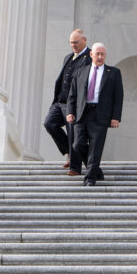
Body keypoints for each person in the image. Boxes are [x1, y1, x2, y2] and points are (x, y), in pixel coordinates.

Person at [66, 42, 123, 186]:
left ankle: (90, 179)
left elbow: (118, 97)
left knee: (95, 148)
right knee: (78, 144)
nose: (100, 57)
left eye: (102, 54)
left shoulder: (114, 73)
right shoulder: (80, 71)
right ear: (91, 54)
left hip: (100, 114)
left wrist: (115, 117)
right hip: (82, 113)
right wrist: (70, 112)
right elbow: (72, 94)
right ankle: (96, 170)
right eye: (97, 53)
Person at [44, 29, 91, 174]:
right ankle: (68, 152)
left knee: (73, 133)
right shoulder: (68, 57)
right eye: (71, 43)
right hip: (59, 102)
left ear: (84, 40)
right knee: (49, 124)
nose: (73, 45)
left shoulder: (89, 58)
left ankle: (75, 167)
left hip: (75, 104)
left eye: (76, 42)